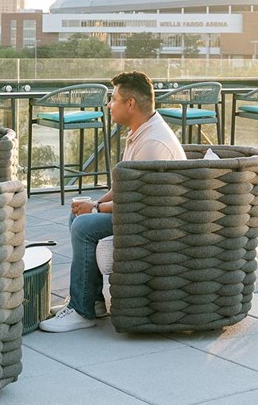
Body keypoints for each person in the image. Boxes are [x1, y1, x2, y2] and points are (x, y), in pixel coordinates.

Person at [39, 70, 186, 333]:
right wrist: (94, 203)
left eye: (113, 99)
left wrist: (95, 208)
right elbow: (125, 187)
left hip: (156, 222)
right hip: (142, 211)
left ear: (130, 103)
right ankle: (91, 302)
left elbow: (140, 204)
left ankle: (82, 312)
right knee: (79, 216)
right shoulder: (141, 130)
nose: (108, 105)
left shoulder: (152, 143)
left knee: (84, 227)